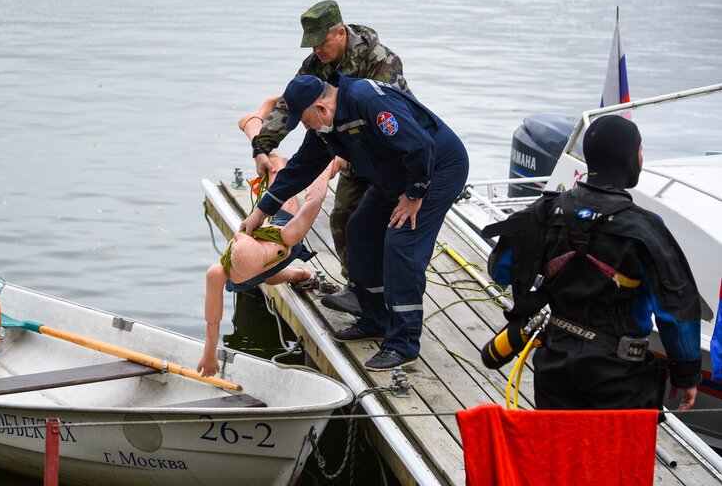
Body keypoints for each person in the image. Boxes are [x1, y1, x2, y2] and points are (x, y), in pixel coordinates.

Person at [241, 73, 469, 371]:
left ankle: (403, 343)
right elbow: (300, 169)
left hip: (435, 170)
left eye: (306, 120)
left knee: (401, 243)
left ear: (321, 108)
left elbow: (420, 146)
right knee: (359, 230)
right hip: (396, 175)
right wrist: (260, 212)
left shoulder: (369, 101)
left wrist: (414, 195)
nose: (306, 126)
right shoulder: (327, 126)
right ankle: (375, 319)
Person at [485, 115, 703, 411]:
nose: (642, 157)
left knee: (559, 454)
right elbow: (676, 308)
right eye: (640, 150)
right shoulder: (645, 228)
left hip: (555, 367)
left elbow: (500, 271)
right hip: (620, 378)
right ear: (628, 158)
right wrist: (686, 373)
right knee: (614, 458)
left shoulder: (545, 212)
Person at [251, 0, 412, 317]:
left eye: (321, 42)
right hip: (351, 151)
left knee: (388, 230)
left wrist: (342, 157)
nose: (317, 50)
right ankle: (359, 290)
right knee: (343, 218)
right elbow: (289, 103)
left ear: (340, 33)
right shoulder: (317, 62)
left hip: (392, 155)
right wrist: (263, 146)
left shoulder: (381, 61)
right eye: (311, 44)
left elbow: (390, 120)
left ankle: (393, 301)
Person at [198, 103, 340, 378]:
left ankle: (253, 128)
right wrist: (209, 353)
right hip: (266, 254)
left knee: (279, 173)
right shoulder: (220, 271)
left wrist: (333, 161)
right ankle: (254, 132)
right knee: (276, 169)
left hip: (279, 230)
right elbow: (212, 319)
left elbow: (315, 197)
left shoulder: (286, 237)